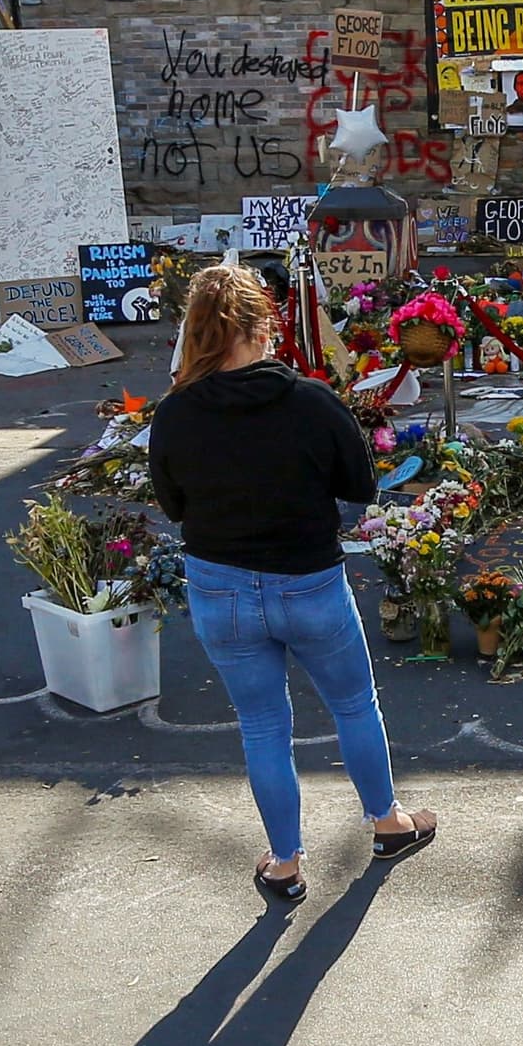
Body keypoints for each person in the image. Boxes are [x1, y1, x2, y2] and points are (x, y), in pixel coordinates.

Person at [147, 262, 433, 904]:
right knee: (354, 705)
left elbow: (173, 504)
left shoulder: (176, 412)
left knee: (262, 726)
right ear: (264, 325)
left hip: (219, 585)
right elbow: (360, 487)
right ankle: (387, 824)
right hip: (308, 581)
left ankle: (284, 863)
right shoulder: (310, 400)